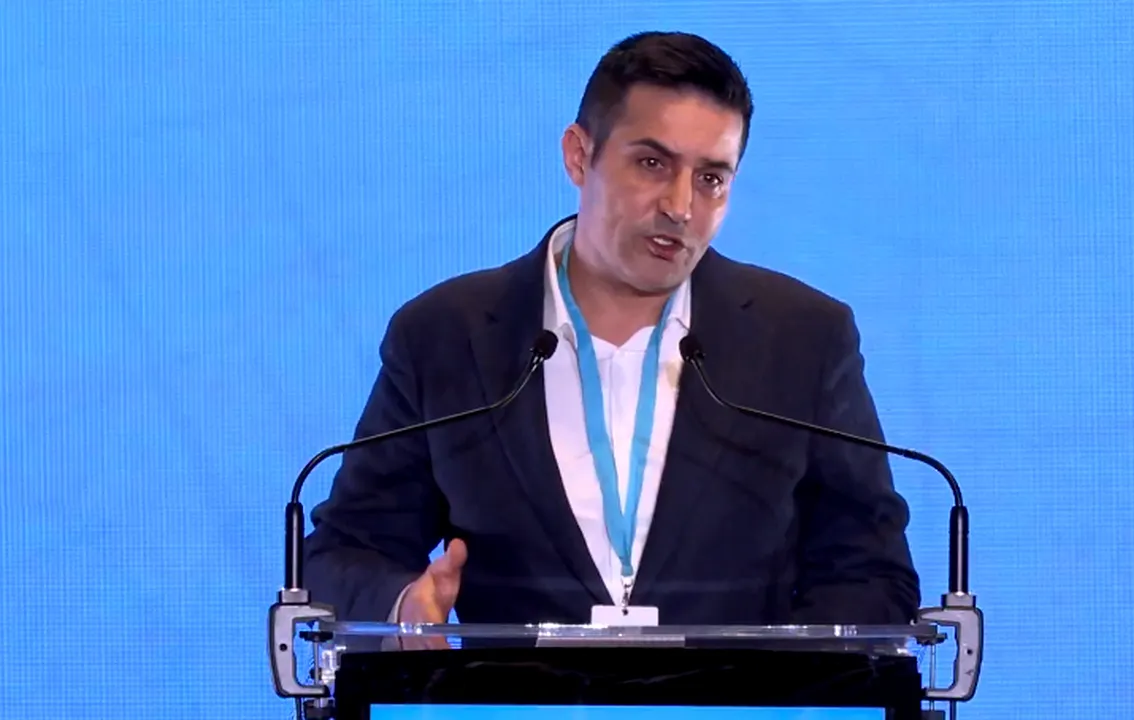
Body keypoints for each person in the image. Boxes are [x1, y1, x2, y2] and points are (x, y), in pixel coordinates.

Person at [303, 31, 920, 640]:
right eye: (652, 164)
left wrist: (791, 675)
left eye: (711, 178)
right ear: (579, 155)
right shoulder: (446, 335)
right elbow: (345, 551)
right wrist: (405, 604)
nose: (680, 206)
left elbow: (870, 573)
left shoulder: (803, 339)